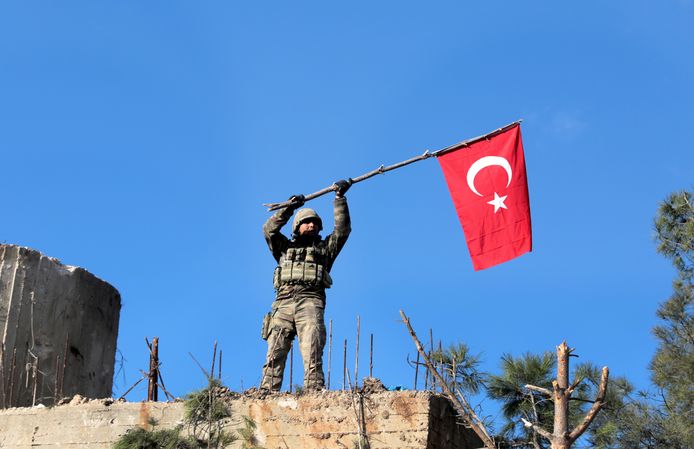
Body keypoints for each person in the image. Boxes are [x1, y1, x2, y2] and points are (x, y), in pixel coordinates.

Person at [259, 180, 352, 391]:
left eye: (315, 223)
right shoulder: (284, 249)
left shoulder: (324, 250)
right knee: (275, 350)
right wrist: (289, 209)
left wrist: (339, 199)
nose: (312, 225)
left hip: (310, 301)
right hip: (282, 304)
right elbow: (269, 230)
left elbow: (343, 230)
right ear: (297, 226)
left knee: (312, 347)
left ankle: (313, 390)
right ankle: (267, 392)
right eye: (307, 222)